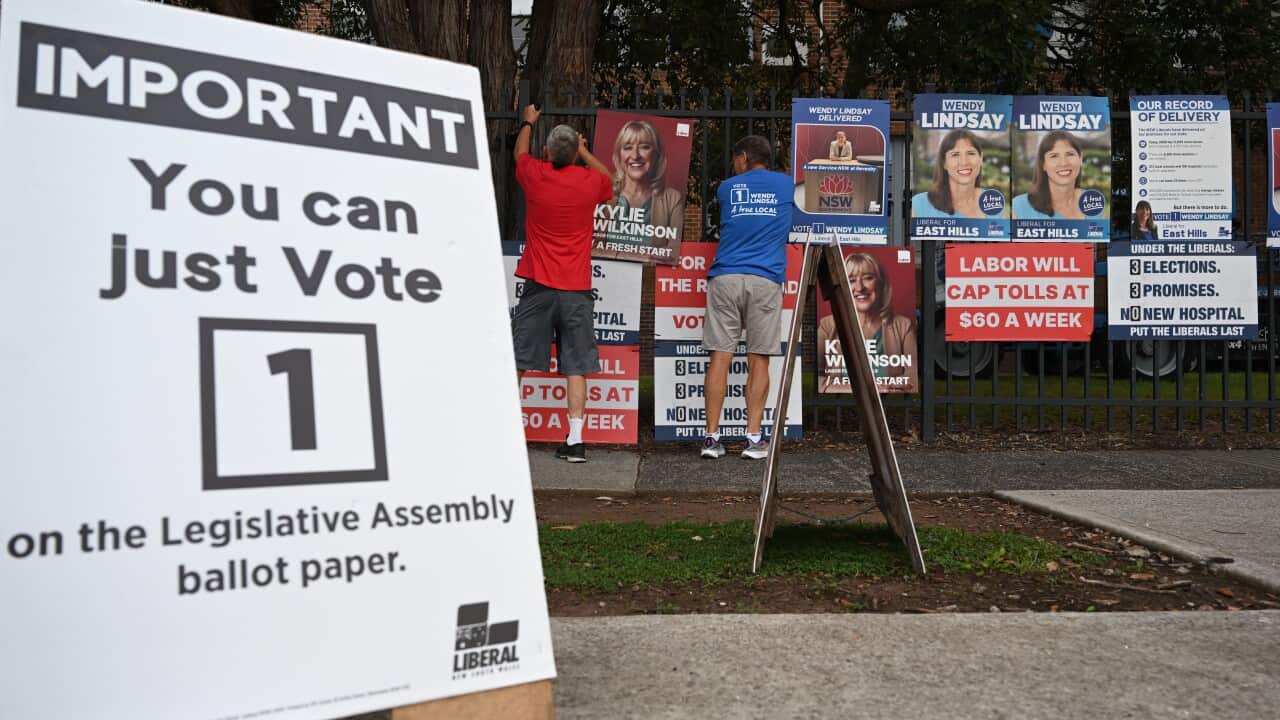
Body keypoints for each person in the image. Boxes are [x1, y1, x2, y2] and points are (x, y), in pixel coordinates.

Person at [511, 104, 613, 463]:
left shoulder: (535, 173)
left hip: (539, 285)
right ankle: (575, 440)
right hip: (577, 289)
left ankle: (501, 433)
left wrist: (527, 121)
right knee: (576, 365)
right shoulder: (588, 182)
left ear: (548, 152)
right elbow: (609, 179)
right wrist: (585, 150)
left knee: (518, 360)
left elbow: (518, 153)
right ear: (575, 156)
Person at [700, 135, 793, 460]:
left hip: (725, 277)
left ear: (743, 157)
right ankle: (754, 438)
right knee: (759, 359)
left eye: (735, 159)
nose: (733, 165)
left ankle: (712, 438)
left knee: (720, 358)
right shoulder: (785, 186)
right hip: (765, 279)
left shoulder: (727, 188)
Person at [817, 253, 917, 394]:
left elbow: (911, 379)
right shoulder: (827, 326)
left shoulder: (903, 326)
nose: (859, 287)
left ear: (881, 284)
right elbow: (816, 379)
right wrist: (862, 389)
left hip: (888, 407)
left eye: (868, 278)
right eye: (851, 280)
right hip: (841, 405)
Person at [610, 119, 685, 245]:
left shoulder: (672, 199)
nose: (635, 155)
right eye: (628, 148)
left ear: (657, 155)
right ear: (619, 156)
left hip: (649, 266)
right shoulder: (604, 196)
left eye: (645, 147)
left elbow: (672, 251)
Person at [911, 129, 997, 219]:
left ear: (981, 158)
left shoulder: (994, 202)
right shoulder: (919, 205)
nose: (964, 162)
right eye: (955, 154)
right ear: (944, 162)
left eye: (971, 153)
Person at [1012, 130, 1086, 219]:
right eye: (1054, 156)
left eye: (1070, 154)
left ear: (1080, 158)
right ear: (1043, 164)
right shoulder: (1019, 207)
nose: (1063, 163)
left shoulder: (1093, 203)